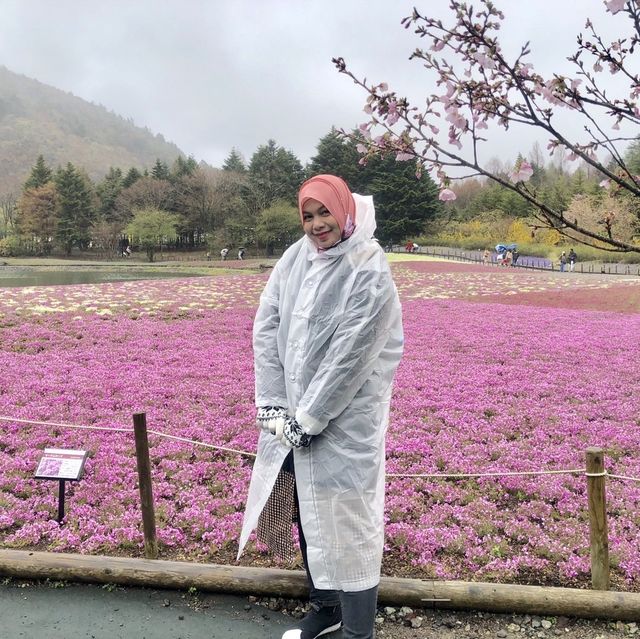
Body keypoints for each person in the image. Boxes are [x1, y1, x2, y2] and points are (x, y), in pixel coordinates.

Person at [238, 174, 404, 639]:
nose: (316, 224)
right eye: (308, 215)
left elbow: (352, 354)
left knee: (349, 517)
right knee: (306, 509)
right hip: (291, 415)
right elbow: (266, 327)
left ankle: (358, 630)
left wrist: (310, 418)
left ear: (345, 209)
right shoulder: (296, 258)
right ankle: (325, 606)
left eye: (325, 212)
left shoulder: (368, 265)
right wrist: (273, 405)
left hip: (345, 420)